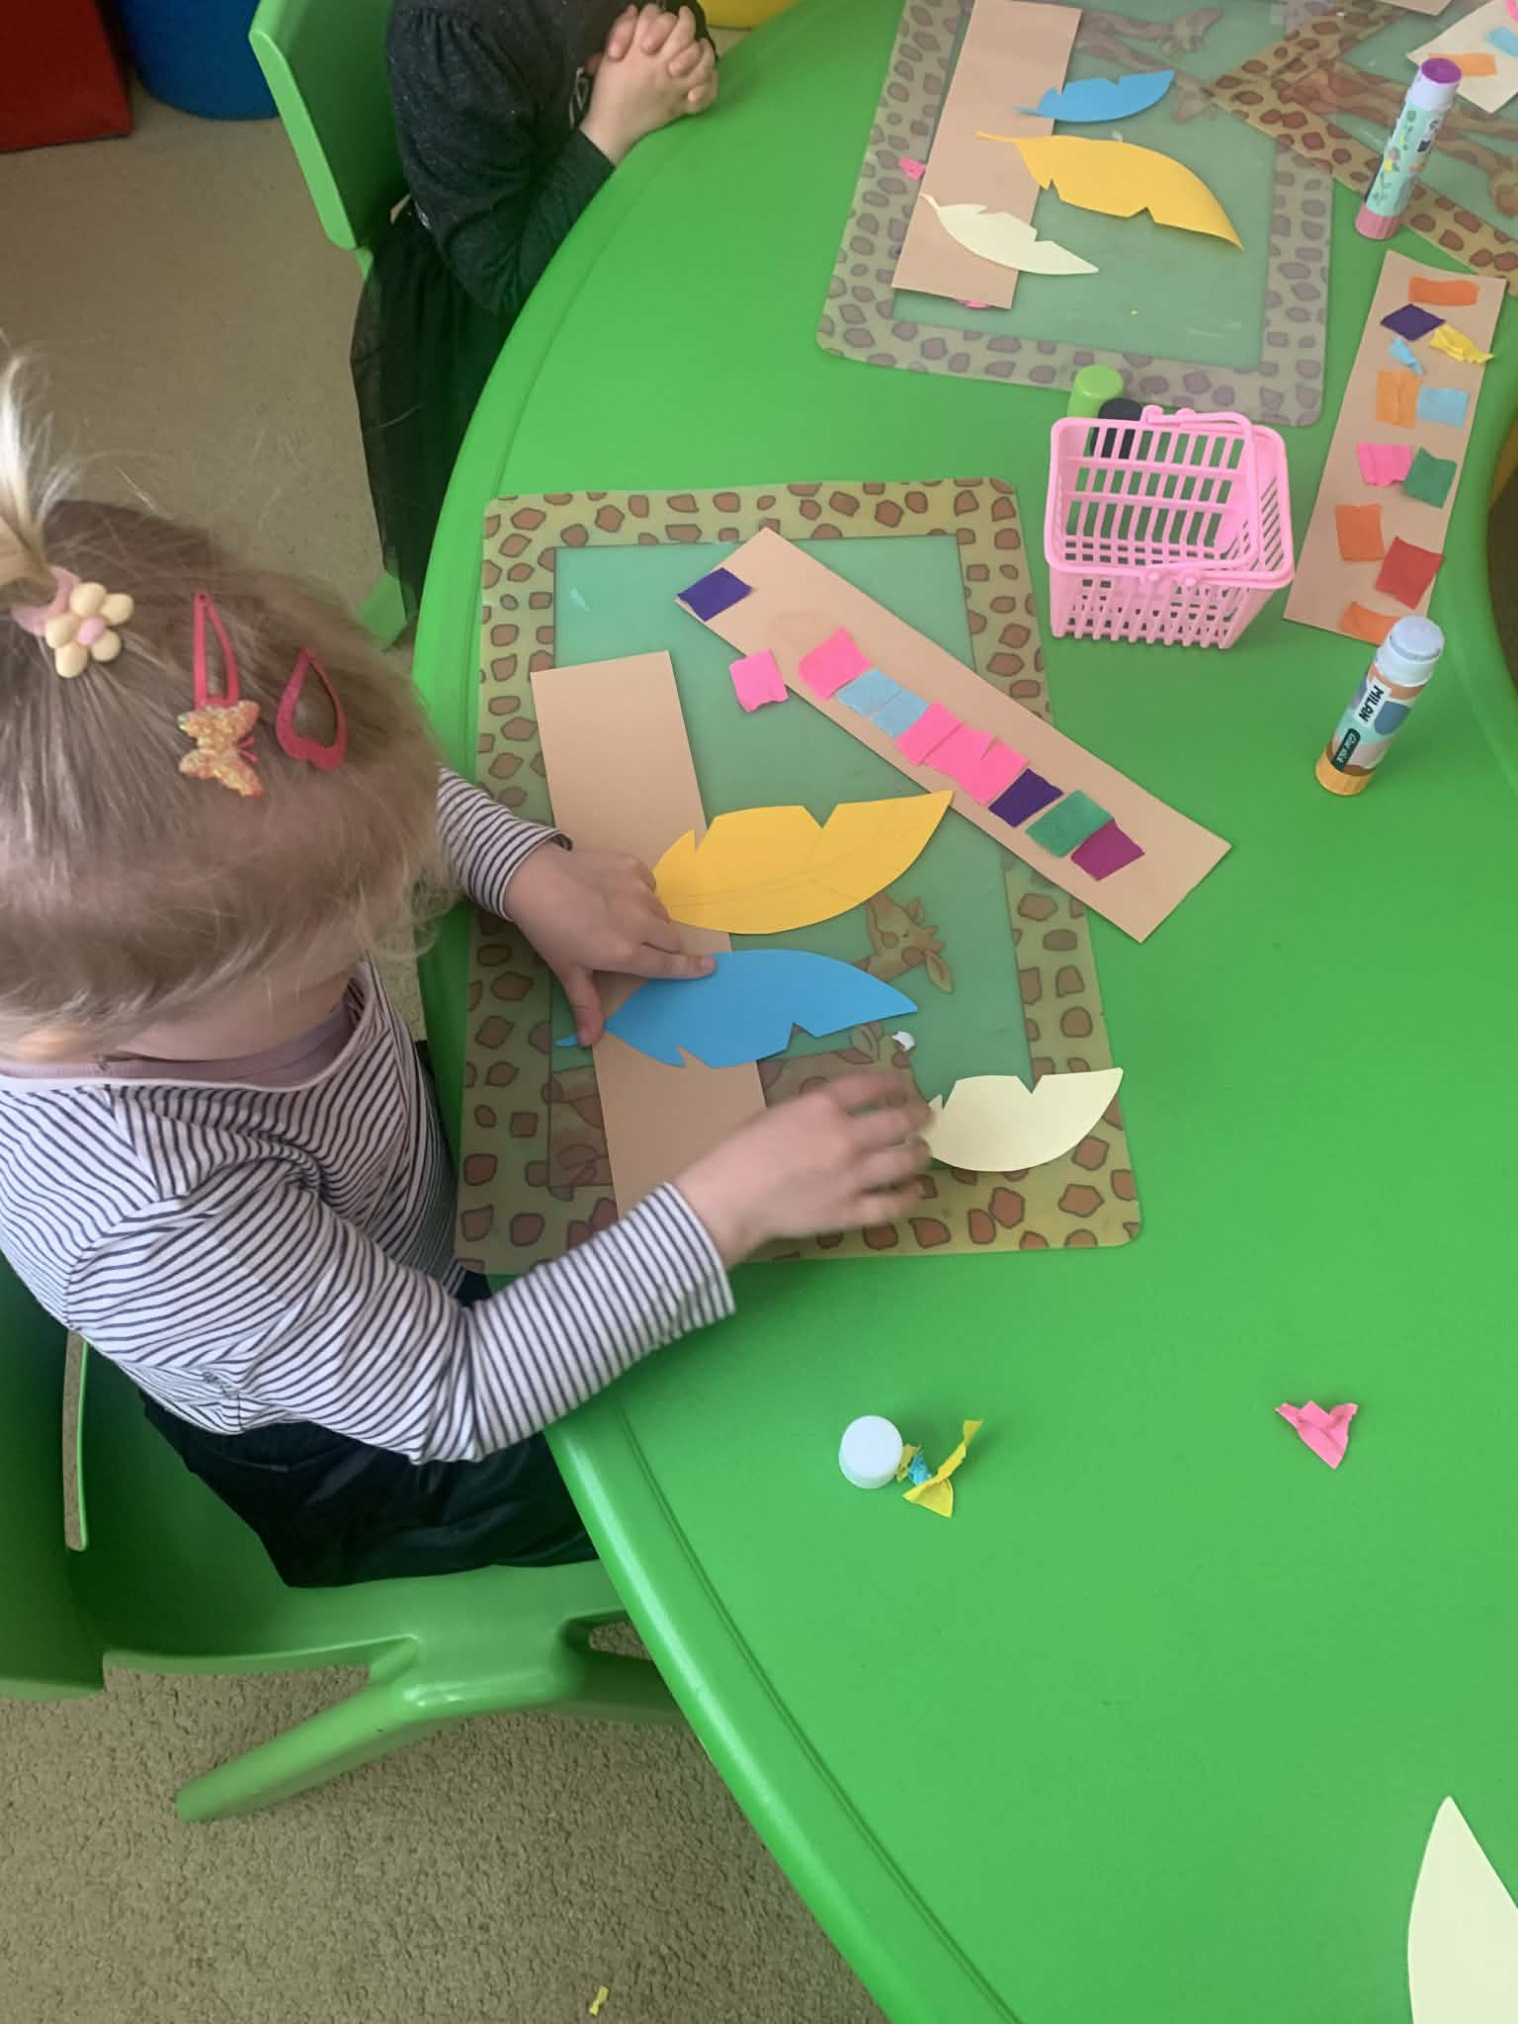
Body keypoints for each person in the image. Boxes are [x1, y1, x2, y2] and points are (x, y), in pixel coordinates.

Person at [0, 360, 928, 1588]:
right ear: (96, 1022)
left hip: (393, 1200)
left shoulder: (196, 887)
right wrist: (727, 1209)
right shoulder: (160, 1212)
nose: (391, 910)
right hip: (382, 1444)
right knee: (738, 1450)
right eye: (344, 933)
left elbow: (352, 796)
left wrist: (523, 869)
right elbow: (458, 1392)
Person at [353, 0, 719, 619]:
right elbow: (504, 279)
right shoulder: (449, 35)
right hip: (493, 314)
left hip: (616, 212)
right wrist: (612, 125)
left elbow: (675, 17)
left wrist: (679, 54)